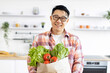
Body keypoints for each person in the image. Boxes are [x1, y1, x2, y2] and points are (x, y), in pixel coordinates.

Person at [27, 5, 84, 73]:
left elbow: (79, 62)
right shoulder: (39, 38)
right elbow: (31, 60)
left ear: (67, 21)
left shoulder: (75, 40)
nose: (59, 21)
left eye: (63, 18)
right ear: (51, 18)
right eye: (56, 17)